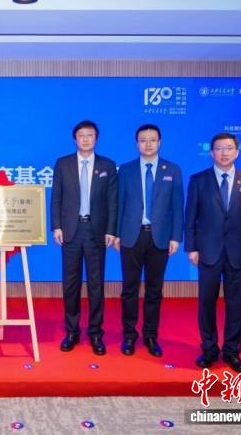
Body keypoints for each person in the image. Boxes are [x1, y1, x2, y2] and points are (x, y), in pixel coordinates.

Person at [185, 132, 241, 373]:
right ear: (211, 152)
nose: (224, 153)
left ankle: (232, 351)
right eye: (219, 148)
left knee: (235, 304)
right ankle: (209, 349)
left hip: (239, 251)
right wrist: (191, 247)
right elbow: (190, 216)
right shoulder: (199, 180)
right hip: (208, 251)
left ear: (237, 152)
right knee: (206, 303)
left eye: (229, 148)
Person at [114, 124, 183, 357]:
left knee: (154, 290)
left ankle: (151, 336)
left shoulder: (172, 169)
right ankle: (129, 336)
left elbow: (177, 206)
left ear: (159, 142)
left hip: (160, 237)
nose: (148, 144)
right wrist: (116, 233)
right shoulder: (126, 170)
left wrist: (176, 237)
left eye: (152, 140)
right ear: (137, 144)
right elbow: (119, 204)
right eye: (143, 140)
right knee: (129, 289)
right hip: (131, 236)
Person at [51, 120, 117, 355]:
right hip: (71, 230)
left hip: (96, 231)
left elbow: (112, 201)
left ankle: (96, 333)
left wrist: (111, 230)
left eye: (90, 135)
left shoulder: (107, 165)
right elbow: (56, 198)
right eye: (81, 135)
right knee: (71, 284)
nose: (86, 139)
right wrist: (56, 227)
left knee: (96, 285)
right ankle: (72, 331)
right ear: (75, 139)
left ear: (96, 138)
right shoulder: (63, 164)